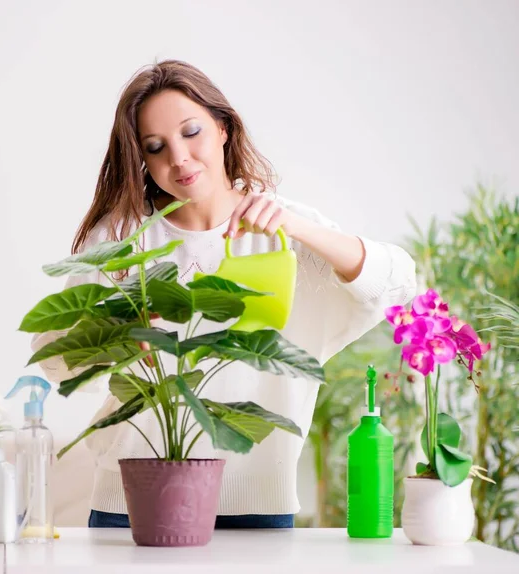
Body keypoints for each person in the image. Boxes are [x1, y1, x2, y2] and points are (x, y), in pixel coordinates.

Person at [32, 59, 417, 529]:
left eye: (191, 132)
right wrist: (116, 336)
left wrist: (297, 226)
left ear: (223, 128)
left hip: (257, 500)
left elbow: (398, 283)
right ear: (144, 161)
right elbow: (52, 356)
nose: (179, 158)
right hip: (133, 500)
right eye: (156, 147)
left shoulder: (282, 230)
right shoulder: (122, 240)